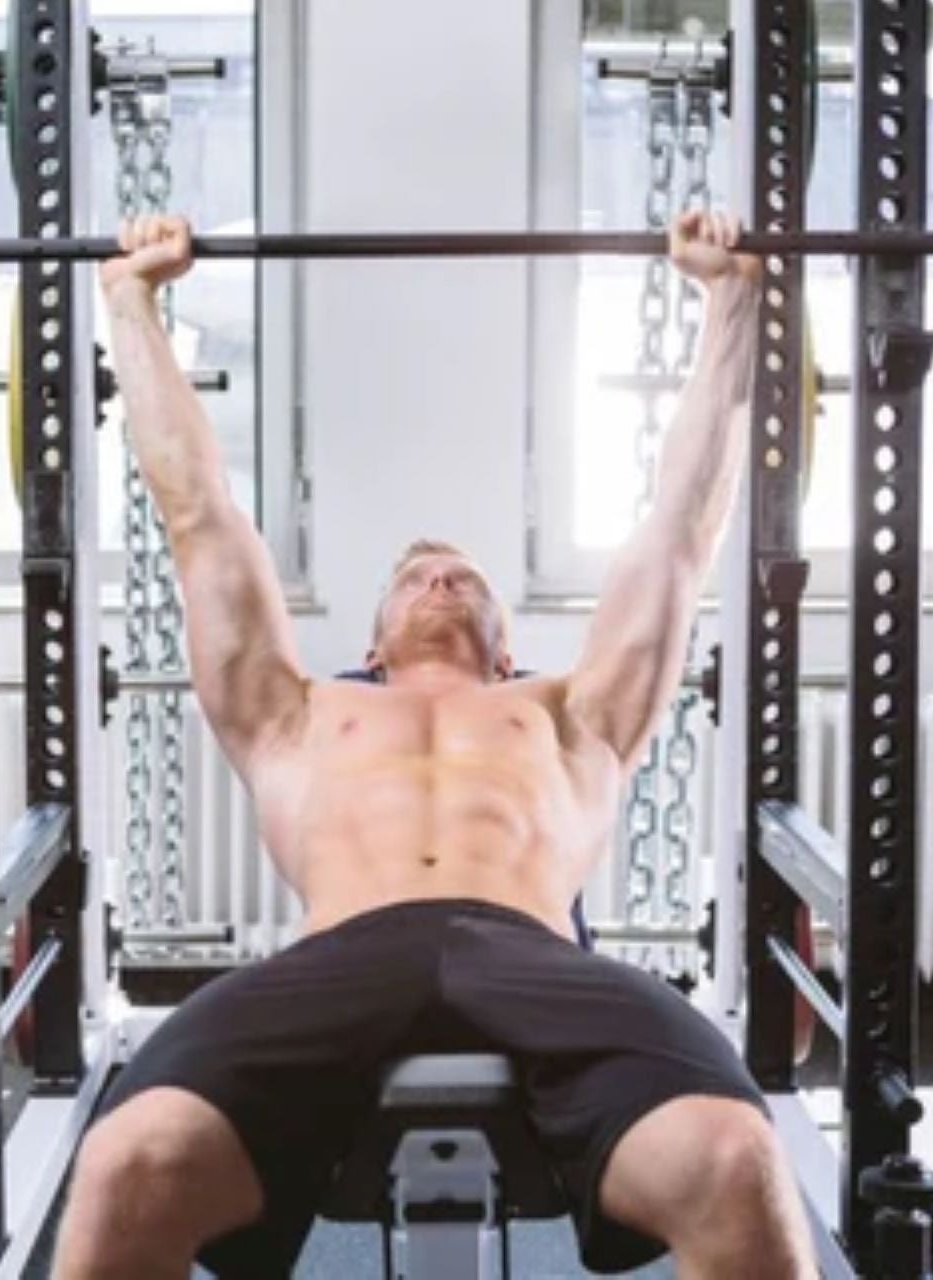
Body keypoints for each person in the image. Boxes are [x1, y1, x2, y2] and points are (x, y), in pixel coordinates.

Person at [52, 210, 819, 1280]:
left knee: (739, 1157)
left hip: (531, 948)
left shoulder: (569, 710)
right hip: (338, 951)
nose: (442, 580)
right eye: (416, 576)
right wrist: (130, 298)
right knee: (126, 1160)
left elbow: (683, 534)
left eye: (465, 576)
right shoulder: (299, 711)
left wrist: (732, 299)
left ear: (509, 649)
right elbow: (199, 514)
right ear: (370, 638)